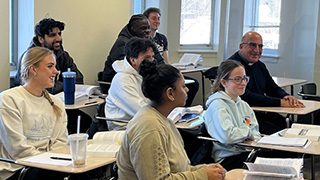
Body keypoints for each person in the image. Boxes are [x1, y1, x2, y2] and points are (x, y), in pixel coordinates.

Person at [117, 59, 243, 180]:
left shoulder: (164, 120)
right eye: (183, 86)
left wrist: (207, 169)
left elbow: (180, 169)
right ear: (170, 93)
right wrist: (203, 175)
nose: (187, 89)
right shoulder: (149, 128)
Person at [12, 18, 92, 134]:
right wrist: (65, 85)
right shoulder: (30, 57)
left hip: (55, 102)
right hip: (33, 104)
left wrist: (58, 86)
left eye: (59, 34)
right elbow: (43, 87)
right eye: (52, 35)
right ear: (41, 39)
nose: (58, 38)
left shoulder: (62, 54)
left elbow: (78, 79)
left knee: (85, 121)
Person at [0, 47, 68, 180]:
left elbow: (61, 143)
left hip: (47, 165)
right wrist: (49, 162)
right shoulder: (9, 99)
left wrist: (53, 162)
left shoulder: (56, 103)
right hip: (17, 169)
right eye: (50, 66)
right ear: (33, 69)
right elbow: (18, 149)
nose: (56, 71)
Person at [228, 31, 304, 134]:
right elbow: (246, 97)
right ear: (241, 46)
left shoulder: (260, 66)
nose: (257, 50)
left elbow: (272, 88)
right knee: (280, 133)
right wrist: (280, 103)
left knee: (291, 127)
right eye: (252, 45)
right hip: (243, 117)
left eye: (260, 46)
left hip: (260, 112)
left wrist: (286, 96)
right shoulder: (232, 67)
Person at [204, 60, 261, 171]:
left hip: (247, 151)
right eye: (237, 79)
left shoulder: (244, 105)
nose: (243, 83)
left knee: (279, 157)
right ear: (224, 82)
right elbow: (228, 135)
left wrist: (246, 136)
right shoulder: (218, 105)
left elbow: (256, 133)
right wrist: (247, 133)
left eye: (244, 78)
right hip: (228, 158)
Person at [143, 7, 199, 107]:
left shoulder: (162, 38)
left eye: (159, 18)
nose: (157, 21)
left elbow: (166, 59)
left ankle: (182, 109)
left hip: (164, 70)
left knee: (194, 84)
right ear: (146, 20)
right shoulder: (144, 39)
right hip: (154, 73)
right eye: (154, 18)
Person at [101, 14, 165, 93]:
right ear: (133, 29)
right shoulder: (123, 44)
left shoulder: (146, 39)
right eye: (143, 28)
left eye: (148, 27)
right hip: (119, 84)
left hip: (140, 81)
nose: (148, 31)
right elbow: (134, 69)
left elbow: (161, 63)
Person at [105, 37, 154, 130]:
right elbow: (140, 109)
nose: (151, 61)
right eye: (147, 57)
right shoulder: (122, 80)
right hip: (125, 129)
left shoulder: (144, 73)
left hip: (143, 123)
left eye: (152, 56)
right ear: (133, 60)